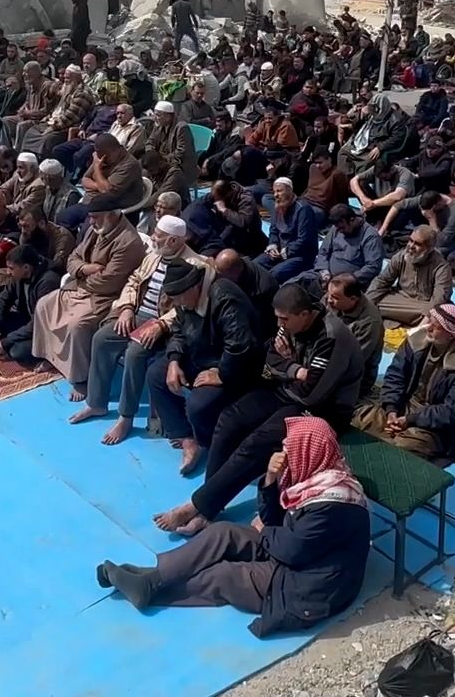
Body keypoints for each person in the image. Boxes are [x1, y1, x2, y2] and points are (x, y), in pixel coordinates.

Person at [97, 416, 370, 636]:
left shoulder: (334, 503)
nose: (284, 453)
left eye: (290, 448)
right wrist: (271, 480)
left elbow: (290, 549)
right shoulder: (315, 477)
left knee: (224, 576)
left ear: (309, 451)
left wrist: (265, 531)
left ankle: (151, 592)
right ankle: (154, 578)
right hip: (296, 552)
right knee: (221, 532)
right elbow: (275, 520)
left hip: (309, 585)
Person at [154, 282, 362, 536]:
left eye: (284, 319)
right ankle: (210, 504)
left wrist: (284, 367)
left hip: (322, 410)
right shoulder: (288, 323)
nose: (280, 325)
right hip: (287, 391)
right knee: (229, 420)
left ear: (305, 315)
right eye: (278, 319)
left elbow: (311, 394)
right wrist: (294, 369)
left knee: (256, 444)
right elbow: (271, 357)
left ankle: (197, 506)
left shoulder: (332, 337)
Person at [75, 217, 209, 444]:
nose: (154, 238)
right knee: (102, 339)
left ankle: (125, 417)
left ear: (174, 240)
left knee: (135, 353)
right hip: (137, 314)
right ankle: (96, 403)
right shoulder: (154, 256)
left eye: (159, 235)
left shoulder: (196, 266)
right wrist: (127, 307)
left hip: (164, 324)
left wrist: (161, 325)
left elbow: (189, 306)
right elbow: (134, 281)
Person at [150, 258, 269, 474]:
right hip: (200, 355)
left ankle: (211, 443)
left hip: (233, 366)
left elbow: (242, 346)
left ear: (195, 286)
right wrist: (175, 359)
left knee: (199, 406)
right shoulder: (185, 301)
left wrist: (222, 374)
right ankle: (187, 438)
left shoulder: (225, 298)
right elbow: (178, 328)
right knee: (156, 375)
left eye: (179, 298)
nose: (177, 303)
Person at [31, 195, 148, 398]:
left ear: (111, 216)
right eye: (90, 217)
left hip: (107, 296)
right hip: (81, 286)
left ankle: (81, 378)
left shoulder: (128, 242)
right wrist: (86, 268)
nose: (91, 221)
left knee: (78, 326)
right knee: (43, 305)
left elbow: (108, 282)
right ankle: (51, 358)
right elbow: (72, 258)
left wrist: (82, 276)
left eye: (95, 217)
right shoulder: (98, 230)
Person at [353, 303, 455, 459]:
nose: (428, 328)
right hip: (402, 408)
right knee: (358, 417)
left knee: (402, 449)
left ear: (451, 334)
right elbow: (395, 375)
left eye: (436, 327)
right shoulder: (415, 342)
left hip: (431, 426)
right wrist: (391, 410)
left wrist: (410, 420)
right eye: (430, 322)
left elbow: (450, 412)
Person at [367, 225, 455, 324]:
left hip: (424, 306)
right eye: (410, 240)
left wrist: (421, 325)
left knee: (441, 315)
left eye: (417, 244)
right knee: (375, 300)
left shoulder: (441, 267)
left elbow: (439, 298)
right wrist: (366, 303)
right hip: (400, 300)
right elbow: (382, 281)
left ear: (429, 248)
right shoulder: (401, 256)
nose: (411, 246)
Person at [0, 245, 62, 364]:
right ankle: (5, 336)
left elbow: (40, 322)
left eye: (11, 268)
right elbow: (2, 301)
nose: (8, 272)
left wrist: (5, 342)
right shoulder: (17, 277)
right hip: (27, 319)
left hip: (45, 330)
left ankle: (46, 355)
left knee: (18, 351)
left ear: (26, 267)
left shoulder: (48, 282)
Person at [324, 274, 384, 401]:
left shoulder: (370, 322)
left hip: (353, 376)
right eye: (328, 294)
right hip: (325, 356)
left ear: (353, 299)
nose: (329, 300)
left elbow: (354, 361)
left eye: (334, 297)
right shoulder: (332, 299)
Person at [260, 177, 323, 284]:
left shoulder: (303, 209)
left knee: (274, 275)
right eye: (274, 191)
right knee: (256, 265)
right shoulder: (278, 206)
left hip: (300, 255)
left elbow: (304, 240)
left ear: (289, 191)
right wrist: (273, 246)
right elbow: (274, 231)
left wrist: (286, 252)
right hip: (280, 252)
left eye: (279, 191)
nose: (276, 195)